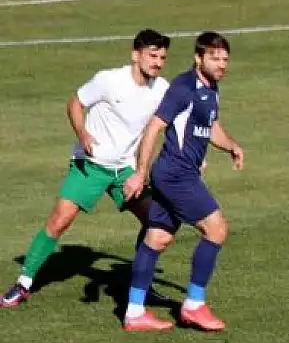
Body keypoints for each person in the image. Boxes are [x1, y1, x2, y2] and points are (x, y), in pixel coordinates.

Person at [2, 29, 173, 309]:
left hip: (125, 172)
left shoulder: (162, 89)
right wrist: (82, 134)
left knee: (156, 222)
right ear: (135, 55)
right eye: (152, 55)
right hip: (91, 166)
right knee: (59, 221)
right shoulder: (109, 80)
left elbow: (175, 122)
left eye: (162, 57)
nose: (157, 62)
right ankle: (24, 283)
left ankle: (141, 286)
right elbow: (75, 104)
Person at [120, 31, 245, 332]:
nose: (221, 65)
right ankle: (194, 305)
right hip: (176, 173)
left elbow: (209, 125)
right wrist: (140, 172)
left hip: (177, 173)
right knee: (216, 229)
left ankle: (134, 312)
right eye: (214, 58)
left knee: (158, 238)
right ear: (198, 58)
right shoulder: (182, 88)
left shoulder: (211, 88)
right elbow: (154, 128)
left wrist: (231, 145)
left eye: (225, 59)